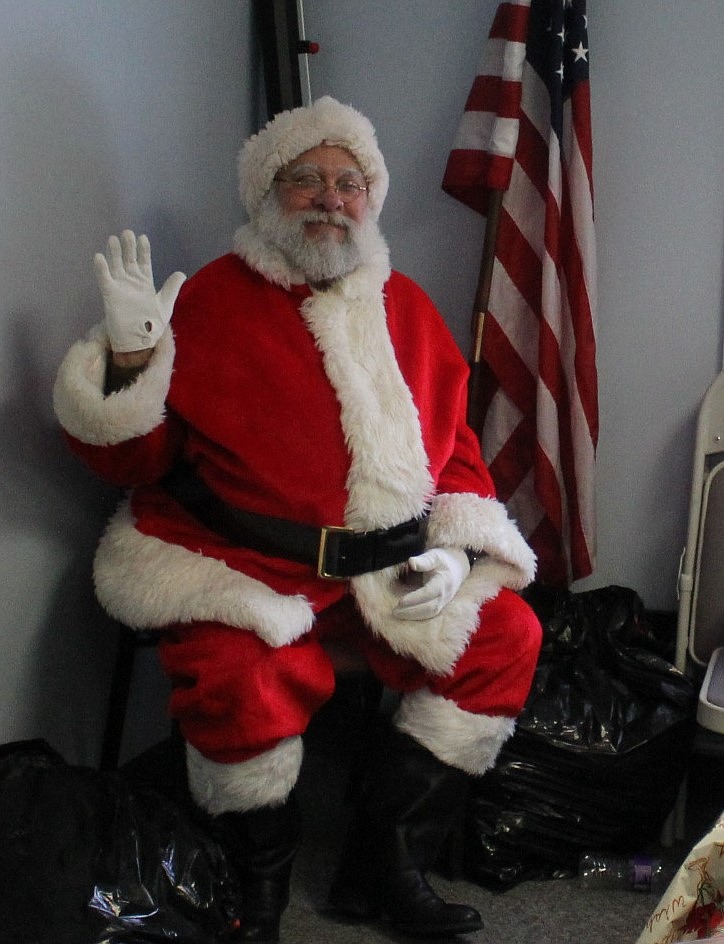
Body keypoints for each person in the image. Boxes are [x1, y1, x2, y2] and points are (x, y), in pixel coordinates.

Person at [54, 96, 542, 943]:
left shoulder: (410, 310)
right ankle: (258, 887)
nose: (330, 197)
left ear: (371, 197)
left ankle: (383, 865)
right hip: (240, 564)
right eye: (305, 180)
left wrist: (457, 555)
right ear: (265, 194)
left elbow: (455, 448)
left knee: (507, 637)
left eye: (348, 181)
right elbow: (136, 463)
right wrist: (133, 363)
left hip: (386, 566)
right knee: (239, 679)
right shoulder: (207, 302)